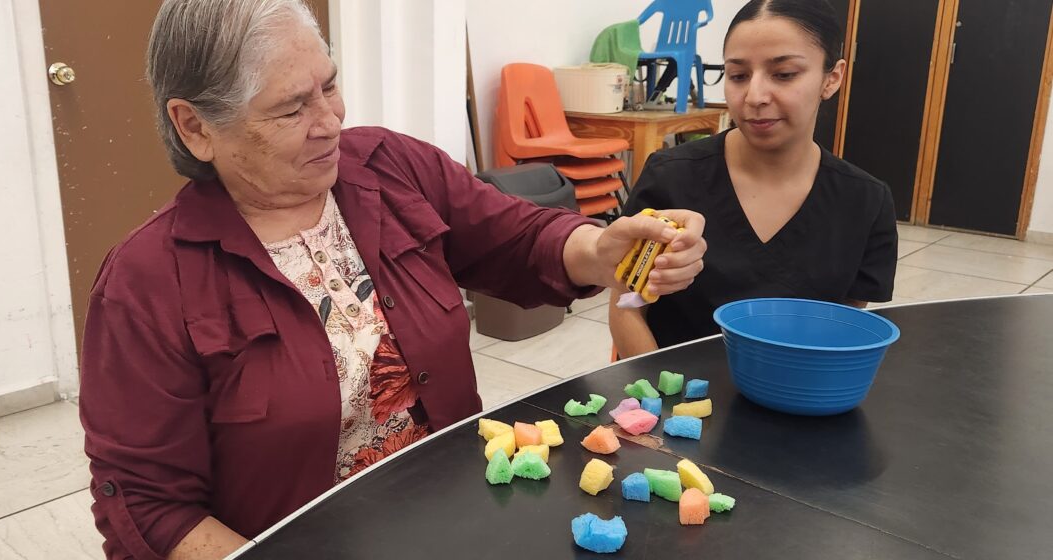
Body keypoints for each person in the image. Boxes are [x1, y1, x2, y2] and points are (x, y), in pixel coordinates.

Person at [78, 1, 707, 559]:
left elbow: (516, 238)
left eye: (329, 87)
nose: (329, 120)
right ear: (195, 127)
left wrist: (602, 247)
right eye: (292, 107)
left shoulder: (390, 166)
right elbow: (147, 506)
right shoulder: (147, 282)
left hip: (458, 512)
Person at [610, 0, 897, 358]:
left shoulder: (865, 202)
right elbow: (626, 306)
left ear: (831, 78)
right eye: (738, 76)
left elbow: (845, 326)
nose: (755, 97)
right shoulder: (670, 177)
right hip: (677, 398)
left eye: (784, 74)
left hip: (796, 396)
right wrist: (660, 402)